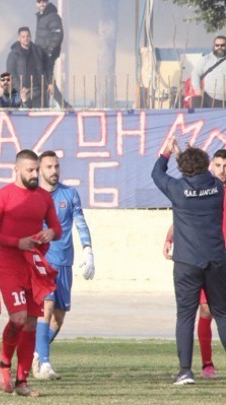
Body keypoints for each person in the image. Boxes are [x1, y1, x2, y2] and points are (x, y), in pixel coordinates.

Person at [0, 149, 62, 397]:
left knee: (31, 322)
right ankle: (4, 363)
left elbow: (56, 228)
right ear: (16, 170)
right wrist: (17, 243)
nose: (35, 174)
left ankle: (22, 382)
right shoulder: (4, 195)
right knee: (18, 318)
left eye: (37, 169)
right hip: (9, 265)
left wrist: (50, 233)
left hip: (33, 265)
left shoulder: (43, 197)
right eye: (30, 170)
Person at [152, 137, 226, 385]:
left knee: (185, 316)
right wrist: (183, 155)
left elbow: (157, 173)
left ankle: (185, 371)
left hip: (187, 263)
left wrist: (167, 153)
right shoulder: (217, 188)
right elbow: (201, 176)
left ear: (183, 169)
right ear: (207, 165)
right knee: (222, 314)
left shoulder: (177, 190)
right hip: (216, 260)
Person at [32, 150, 94, 380]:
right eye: (49, 167)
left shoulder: (70, 194)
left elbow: (80, 223)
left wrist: (88, 250)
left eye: (56, 166)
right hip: (42, 261)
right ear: (40, 170)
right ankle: (44, 363)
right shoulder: (34, 196)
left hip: (65, 262)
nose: (54, 171)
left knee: (58, 317)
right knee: (46, 307)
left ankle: (35, 353)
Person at [34, 0, 71, 109]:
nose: (41, 4)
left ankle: (62, 104)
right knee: (46, 79)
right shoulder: (42, 16)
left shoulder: (52, 16)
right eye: (39, 2)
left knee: (47, 79)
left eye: (44, 1)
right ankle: (59, 104)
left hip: (47, 54)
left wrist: (50, 51)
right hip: (41, 53)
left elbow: (58, 35)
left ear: (48, 2)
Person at [6, 27, 52, 109]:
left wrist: (50, 82)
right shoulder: (14, 54)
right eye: (23, 37)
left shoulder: (38, 51)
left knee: (40, 115)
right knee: (24, 115)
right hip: (22, 93)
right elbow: (11, 73)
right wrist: (20, 88)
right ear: (19, 38)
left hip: (38, 91)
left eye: (27, 36)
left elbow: (48, 65)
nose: (26, 39)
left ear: (31, 37)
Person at [191, 36, 226, 108]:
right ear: (214, 46)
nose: (219, 47)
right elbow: (195, 74)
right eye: (217, 45)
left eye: (222, 45)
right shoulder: (206, 59)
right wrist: (197, 89)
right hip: (208, 98)